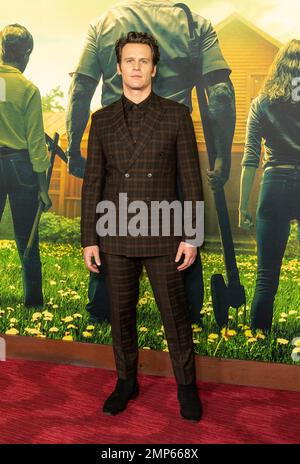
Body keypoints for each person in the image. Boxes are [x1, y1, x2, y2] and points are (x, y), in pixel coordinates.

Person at [67, 0, 235, 324]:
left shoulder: (102, 23)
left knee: (111, 222)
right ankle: (186, 310)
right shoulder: (194, 24)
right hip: (171, 138)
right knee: (182, 225)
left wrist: (74, 147)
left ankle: (101, 309)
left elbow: (80, 89)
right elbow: (222, 95)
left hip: (117, 137)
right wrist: (223, 155)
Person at [81, 32, 204, 421]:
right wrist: (89, 238)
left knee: (176, 316)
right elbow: (92, 183)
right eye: (129, 60)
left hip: (166, 235)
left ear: (154, 68)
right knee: (121, 315)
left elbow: (191, 181)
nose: (136, 67)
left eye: (143, 60)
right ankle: (126, 382)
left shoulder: (176, 115)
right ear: (118, 69)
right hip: (114, 233)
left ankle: (186, 387)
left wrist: (193, 235)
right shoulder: (100, 120)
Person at [239, 39, 300, 333]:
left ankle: (259, 335)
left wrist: (242, 207)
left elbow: (250, 157)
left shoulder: (261, 103)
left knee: (266, 273)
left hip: (275, 182)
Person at [0, 24, 51, 307]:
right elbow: (35, 145)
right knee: (27, 239)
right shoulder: (29, 89)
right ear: (27, 55)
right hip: (21, 166)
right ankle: (33, 301)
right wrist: (43, 188)